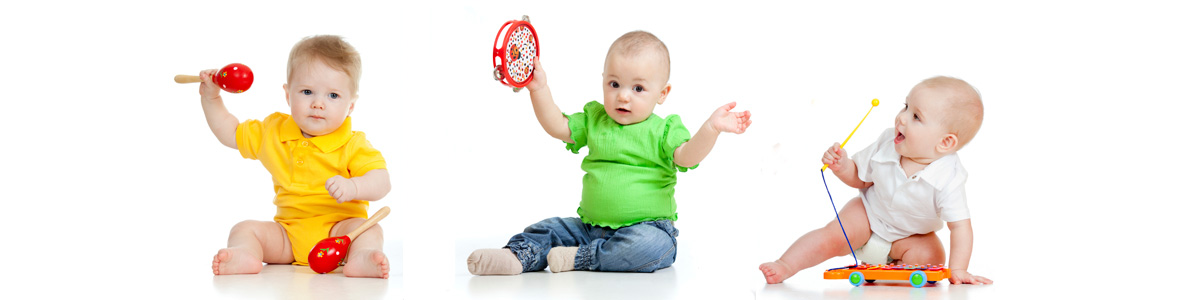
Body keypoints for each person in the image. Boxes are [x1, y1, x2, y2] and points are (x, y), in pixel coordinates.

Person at [466, 30, 752, 275]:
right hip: (589, 228)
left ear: (662, 94)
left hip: (646, 228)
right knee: (547, 228)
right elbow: (558, 126)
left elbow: (687, 156)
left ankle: (579, 258)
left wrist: (711, 129)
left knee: (652, 247)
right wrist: (539, 89)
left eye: (638, 88)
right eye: (614, 84)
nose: (623, 95)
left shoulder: (664, 130)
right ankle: (517, 256)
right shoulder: (595, 118)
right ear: (603, 80)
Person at [760, 76, 992, 285]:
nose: (901, 117)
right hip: (867, 216)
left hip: (911, 237)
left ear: (945, 143)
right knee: (830, 237)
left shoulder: (948, 178)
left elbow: (960, 226)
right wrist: (842, 167)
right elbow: (860, 179)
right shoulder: (887, 142)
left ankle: (889, 275)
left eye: (915, 116)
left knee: (932, 257)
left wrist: (959, 269)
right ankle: (786, 264)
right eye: (905, 106)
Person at [207, 35, 391, 278]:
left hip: (339, 235)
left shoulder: (352, 143)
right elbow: (230, 132)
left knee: (369, 230)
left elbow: (382, 181)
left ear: (351, 106)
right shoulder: (272, 131)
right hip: (287, 235)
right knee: (244, 229)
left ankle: (360, 257)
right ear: (287, 94)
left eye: (333, 96)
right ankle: (245, 254)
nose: (317, 103)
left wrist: (354, 186)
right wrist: (211, 98)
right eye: (307, 91)